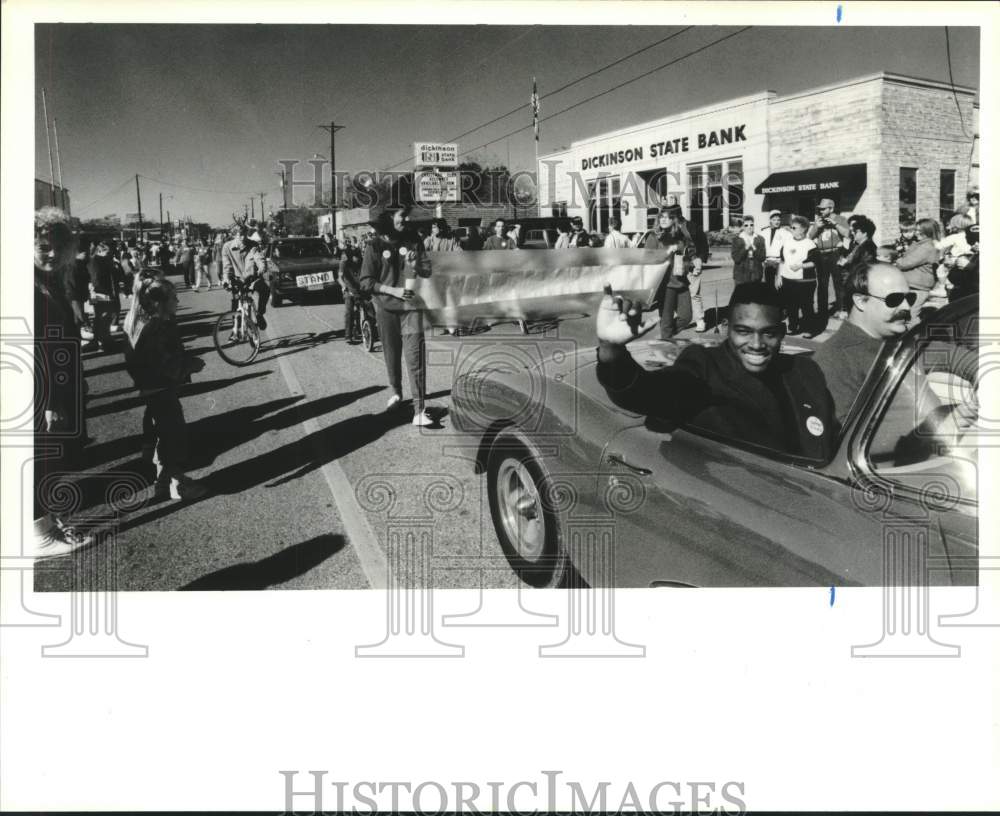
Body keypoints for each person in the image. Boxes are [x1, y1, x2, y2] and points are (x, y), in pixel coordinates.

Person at [596, 281, 834, 458]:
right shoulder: (704, 366)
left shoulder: (806, 371)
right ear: (726, 328)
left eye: (769, 333)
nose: (757, 344)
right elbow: (650, 393)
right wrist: (611, 350)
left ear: (781, 333)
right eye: (744, 331)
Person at [31, 207, 93, 558]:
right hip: (39, 392)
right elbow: (35, 348)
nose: (51, 253)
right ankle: (39, 534)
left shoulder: (48, 280)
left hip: (57, 385)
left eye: (57, 246)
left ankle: (49, 522)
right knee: (38, 459)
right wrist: (52, 399)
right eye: (42, 246)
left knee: (51, 459)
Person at [124, 276, 208, 501]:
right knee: (173, 438)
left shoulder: (140, 321)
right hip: (161, 389)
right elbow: (166, 364)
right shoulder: (159, 327)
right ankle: (176, 484)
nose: (178, 301)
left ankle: (164, 483)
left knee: (162, 436)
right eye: (174, 297)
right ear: (159, 302)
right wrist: (191, 365)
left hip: (151, 390)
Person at [812, 262, 915, 428]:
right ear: (861, 301)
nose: (907, 307)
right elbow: (846, 437)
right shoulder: (837, 359)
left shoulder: (895, 338)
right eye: (894, 299)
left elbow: (944, 353)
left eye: (909, 298)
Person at [358, 209, 434, 427]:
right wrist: (394, 291)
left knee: (415, 357)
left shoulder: (413, 239)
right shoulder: (373, 246)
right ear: (388, 218)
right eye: (401, 215)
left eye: (406, 215)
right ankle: (397, 394)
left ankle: (419, 410)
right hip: (386, 309)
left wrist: (415, 266)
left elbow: (428, 271)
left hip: (411, 309)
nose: (406, 219)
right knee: (392, 355)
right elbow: (366, 282)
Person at [643, 211, 690, 339]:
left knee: (686, 317)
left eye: (668, 217)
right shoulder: (654, 236)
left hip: (681, 280)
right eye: (661, 217)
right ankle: (666, 339)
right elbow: (647, 259)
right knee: (667, 320)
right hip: (665, 284)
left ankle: (665, 336)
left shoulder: (680, 236)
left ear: (674, 220)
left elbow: (686, 256)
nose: (664, 220)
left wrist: (690, 264)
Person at [806, 198, 850, 326]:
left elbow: (848, 234)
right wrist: (816, 227)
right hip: (821, 254)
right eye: (819, 209)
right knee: (822, 284)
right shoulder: (818, 220)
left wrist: (835, 224)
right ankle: (822, 310)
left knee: (838, 282)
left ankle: (841, 309)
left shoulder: (840, 218)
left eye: (823, 209)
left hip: (836, 252)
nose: (821, 211)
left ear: (831, 208)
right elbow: (810, 236)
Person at [667, 205, 709, 332]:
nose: (669, 220)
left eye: (671, 217)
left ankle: (700, 320)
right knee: (675, 292)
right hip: (676, 264)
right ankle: (679, 319)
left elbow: (703, 244)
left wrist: (700, 260)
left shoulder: (693, 227)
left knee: (694, 293)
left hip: (692, 263)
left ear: (677, 216)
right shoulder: (670, 229)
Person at [776, 215, 820, 337]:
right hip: (788, 280)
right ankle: (793, 327)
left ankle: (809, 329)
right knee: (791, 305)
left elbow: (815, 263)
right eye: (791, 227)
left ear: (803, 229)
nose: (791, 229)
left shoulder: (810, 244)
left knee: (806, 306)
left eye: (794, 227)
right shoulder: (787, 243)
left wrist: (801, 266)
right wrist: (779, 276)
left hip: (805, 281)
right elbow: (782, 260)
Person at [222, 226, 270, 329]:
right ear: (234, 235)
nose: (242, 237)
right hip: (237, 280)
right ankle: (235, 330)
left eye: (244, 234)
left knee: (265, 289)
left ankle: (260, 314)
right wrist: (226, 279)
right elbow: (227, 267)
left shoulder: (253, 245)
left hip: (251, 278)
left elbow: (259, 258)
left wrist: (261, 269)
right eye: (239, 234)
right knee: (235, 303)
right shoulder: (227, 247)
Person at [894, 217, 940, 312]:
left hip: (917, 288)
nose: (916, 233)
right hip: (914, 286)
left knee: (911, 315)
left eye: (919, 231)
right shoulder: (920, 244)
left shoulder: (926, 247)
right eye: (916, 230)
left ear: (928, 231)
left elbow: (904, 263)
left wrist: (894, 258)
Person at [836, 215, 878, 301]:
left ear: (865, 233)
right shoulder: (859, 246)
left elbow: (864, 269)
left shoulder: (868, 248)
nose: (852, 233)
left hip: (859, 288)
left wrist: (847, 264)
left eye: (855, 231)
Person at [87, 241, 118, 352]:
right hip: (100, 293)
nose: (110, 254)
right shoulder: (95, 261)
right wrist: (105, 294)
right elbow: (96, 280)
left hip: (103, 292)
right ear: (100, 251)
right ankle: (102, 341)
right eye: (108, 252)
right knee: (102, 317)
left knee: (103, 317)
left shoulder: (102, 260)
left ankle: (103, 339)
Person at [731, 215, 766, 284]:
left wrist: (754, 248)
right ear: (743, 227)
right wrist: (745, 248)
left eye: (751, 225)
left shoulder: (760, 239)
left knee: (756, 295)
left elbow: (762, 257)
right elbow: (736, 258)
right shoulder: (737, 239)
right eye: (746, 225)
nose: (749, 227)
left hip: (756, 275)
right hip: (741, 275)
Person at [758, 209, 787, 288]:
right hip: (767, 262)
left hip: (779, 262)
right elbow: (759, 247)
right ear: (770, 220)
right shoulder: (763, 232)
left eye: (778, 220)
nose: (776, 222)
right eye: (774, 220)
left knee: (779, 285)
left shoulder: (785, 233)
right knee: (768, 285)